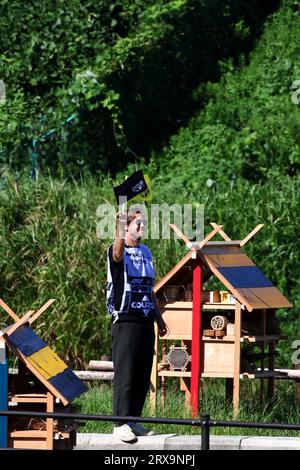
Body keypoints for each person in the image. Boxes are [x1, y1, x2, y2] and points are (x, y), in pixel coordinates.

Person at [106, 207, 168, 442]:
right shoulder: (116, 249)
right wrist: (120, 223)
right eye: (137, 224)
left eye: (143, 223)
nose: (142, 227)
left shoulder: (147, 252)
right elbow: (118, 254)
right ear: (127, 227)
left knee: (143, 372)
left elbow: (149, 287)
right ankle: (119, 422)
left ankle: (132, 419)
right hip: (125, 318)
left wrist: (159, 318)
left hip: (145, 318)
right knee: (126, 372)